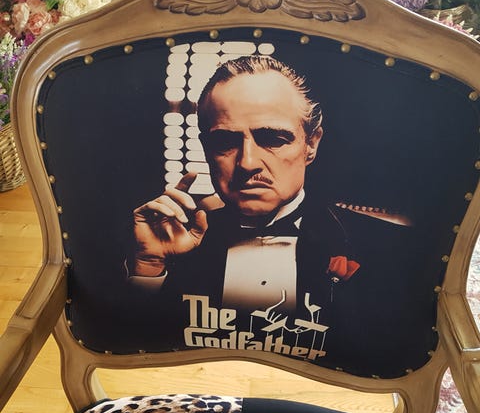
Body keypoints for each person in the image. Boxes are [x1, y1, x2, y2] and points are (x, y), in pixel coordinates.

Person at [126, 55, 434, 377]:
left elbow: (386, 360)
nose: (247, 163)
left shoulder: (382, 246)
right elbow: (141, 355)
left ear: (311, 144)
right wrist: (148, 266)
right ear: (206, 149)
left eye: (272, 138)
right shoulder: (170, 243)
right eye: (224, 142)